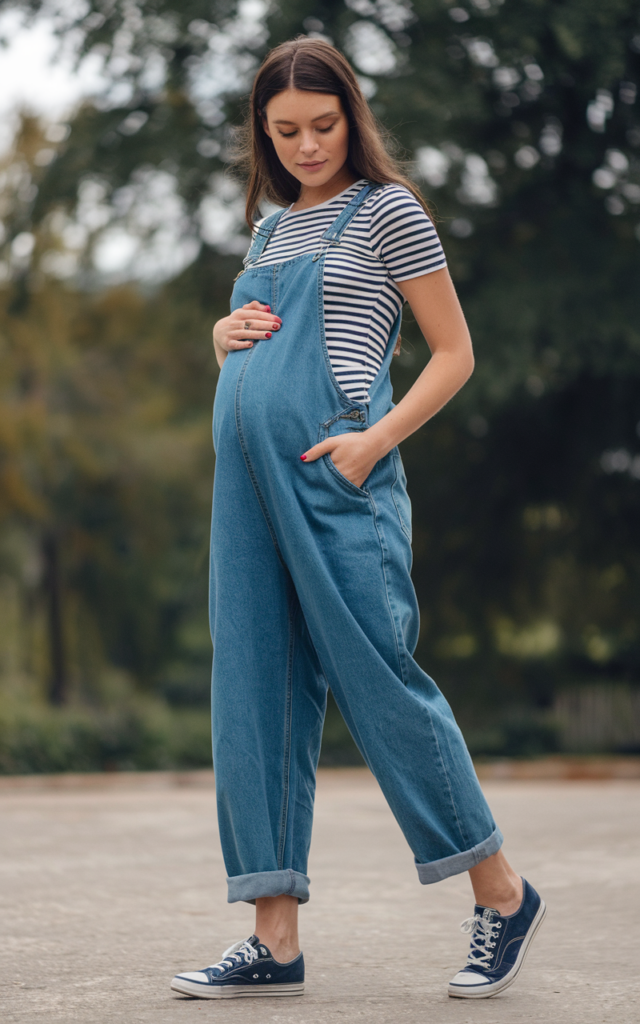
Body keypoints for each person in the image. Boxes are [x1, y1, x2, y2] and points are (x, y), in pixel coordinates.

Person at [170, 36, 545, 1003]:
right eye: (285, 131)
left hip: (340, 482)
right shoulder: (267, 233)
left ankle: (501, 893)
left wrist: (374, 442)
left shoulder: (390, 214)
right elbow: (256, 357)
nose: (305, 146)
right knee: (252, 689)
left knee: (382, 684)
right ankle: (273, 939)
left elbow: (455, 354)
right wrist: (221, 338)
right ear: (263, 131)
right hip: (245, 491)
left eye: (323, 126)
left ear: (354, 117)